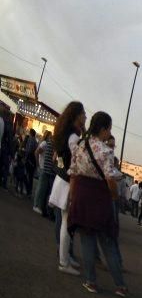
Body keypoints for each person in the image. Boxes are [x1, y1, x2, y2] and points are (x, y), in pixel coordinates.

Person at [67, 112, 128, 296]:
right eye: (109, 129)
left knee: (87, 241)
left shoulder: (80, 146)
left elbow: (73, 172)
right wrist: (115, 196)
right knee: (108, 241)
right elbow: (110, 178)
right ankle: (120, 285)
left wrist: (72, 197)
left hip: (82, 194)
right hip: (100, 198)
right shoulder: (105, 151)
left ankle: (91, 281)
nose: (109, 133)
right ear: (103, 129)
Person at [51, 101, 86, 276]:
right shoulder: (74, 137)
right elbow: (77, 160)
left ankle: (65, 257)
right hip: (68, 182)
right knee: (66, 223)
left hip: (62, 179)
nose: (85, 117)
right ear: (76, 115)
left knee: (66, 222)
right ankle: (64, 261)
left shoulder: (65, 132)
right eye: (83, 114)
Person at [33, 130, 55, 216]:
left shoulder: (45, 143)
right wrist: (38, 164)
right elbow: (37, 152)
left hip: (43, 167)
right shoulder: (45, 143)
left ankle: (37, 205)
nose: (51, 137)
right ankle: (36, 205)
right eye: (50, 135)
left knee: (41, 187)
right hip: (43, 167)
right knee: (41, 188)